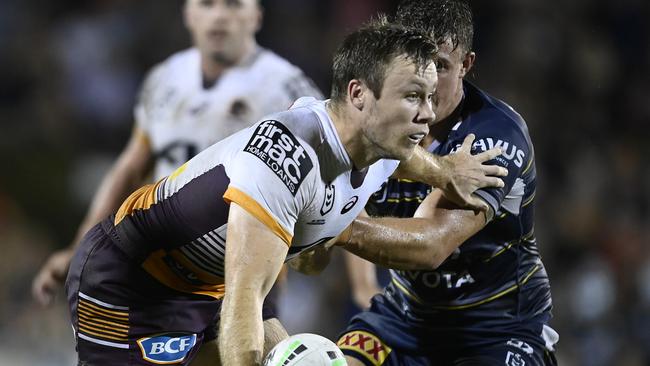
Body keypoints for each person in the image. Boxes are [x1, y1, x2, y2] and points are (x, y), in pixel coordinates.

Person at [64, 21, 506, 366]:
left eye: (430, 97)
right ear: (358, 95)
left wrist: (446, 173)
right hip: (130, 281)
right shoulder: (284, 161)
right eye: (413, 96)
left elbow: (410, 161)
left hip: (208, 289)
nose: (428, 114)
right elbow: (245, 302)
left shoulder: (383, 141)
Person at [32, 0, 321, 307]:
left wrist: (356, 278)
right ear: (188, 13)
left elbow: (334, 174)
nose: (220, 16)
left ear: (257, 16)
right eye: (207, 4)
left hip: (243, 271)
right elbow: (130, 167)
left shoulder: (289, 89)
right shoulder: (164, 79)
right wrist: (79, 246)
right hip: (161, 268)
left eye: (234, 5)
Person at [334, 1, 558, 365]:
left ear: (466, 64)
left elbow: (430, 246)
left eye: (440, 65)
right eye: (416, 63)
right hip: (402, 319)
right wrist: (362, 285)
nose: (428, 80)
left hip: (494, 330)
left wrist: (330, 226)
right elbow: (349, 193)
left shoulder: (493, 138)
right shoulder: (377, 118)